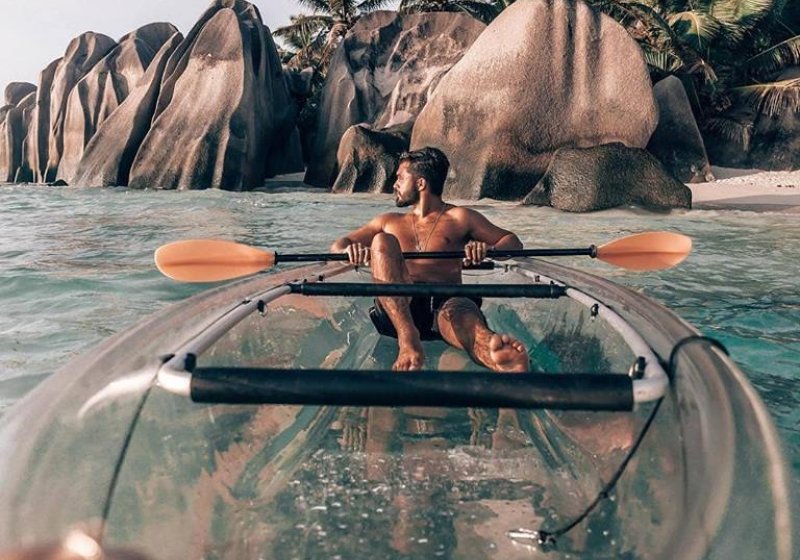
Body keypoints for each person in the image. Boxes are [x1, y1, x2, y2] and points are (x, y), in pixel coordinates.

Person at [330, 147, 528, 373]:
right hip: (398, 310)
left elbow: (512, 241)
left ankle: (498, 355)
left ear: (421, 183)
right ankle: (408, 338)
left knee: (465, 314)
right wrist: (350, 251)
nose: (394, 184)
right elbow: (338, 245)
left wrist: (488, 249)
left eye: (400, 178)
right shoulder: (388, 221)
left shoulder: (460, 217)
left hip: (446, 305)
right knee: (382, 241)